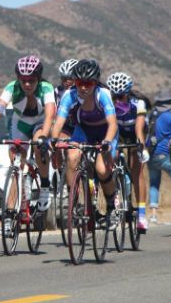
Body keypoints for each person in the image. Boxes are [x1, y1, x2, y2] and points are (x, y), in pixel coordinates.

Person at [49, 59, 119, 226]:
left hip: (105, 132)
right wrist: (53, 139)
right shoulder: (69, 95)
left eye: (88, 83)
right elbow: (58, 123)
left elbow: (113, 124)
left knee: (102, 170)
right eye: (80, 83)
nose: (83, 88)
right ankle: (77, 202)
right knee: (72, 156)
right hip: (84, 130)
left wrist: (107, 142)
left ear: (95, 83)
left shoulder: (103, 94)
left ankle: (110, 206)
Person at [0, 55, 57, 234]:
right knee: (16, 166)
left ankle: (45, 186)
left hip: (40, 124)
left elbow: (49, 114)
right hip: (20, 124)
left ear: (38, 79)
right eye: (23, 80)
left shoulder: (46, 88)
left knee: (39, 144)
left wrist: (44, 137)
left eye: (31, 80)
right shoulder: (11, 88)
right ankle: (9, 214)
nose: (27, 84)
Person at [106, 72, 150, 230]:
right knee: (111, 156)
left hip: (135, 135)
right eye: (115, 96)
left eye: (121, 96)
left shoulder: (138, 103)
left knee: (137, 170)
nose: (118, 99)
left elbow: (139, 129)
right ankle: (117, 191)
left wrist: (141, 147)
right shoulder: (109, 103)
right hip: (119, 135)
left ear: (128, 93)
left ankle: (142, 214)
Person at [145, 89, 171, 224]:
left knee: (154, 184)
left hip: (151, 155)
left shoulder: (151, 114)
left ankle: (153, 215)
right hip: (165, 154)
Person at [52, 59, 79, 171]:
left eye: (70, 78)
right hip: (65, 125)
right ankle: (61, 173)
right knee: (58, 142)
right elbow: (53, 114)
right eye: (63, 78)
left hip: (80, 126)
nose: (66, 81)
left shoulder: (83, 91)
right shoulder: (57, 92)